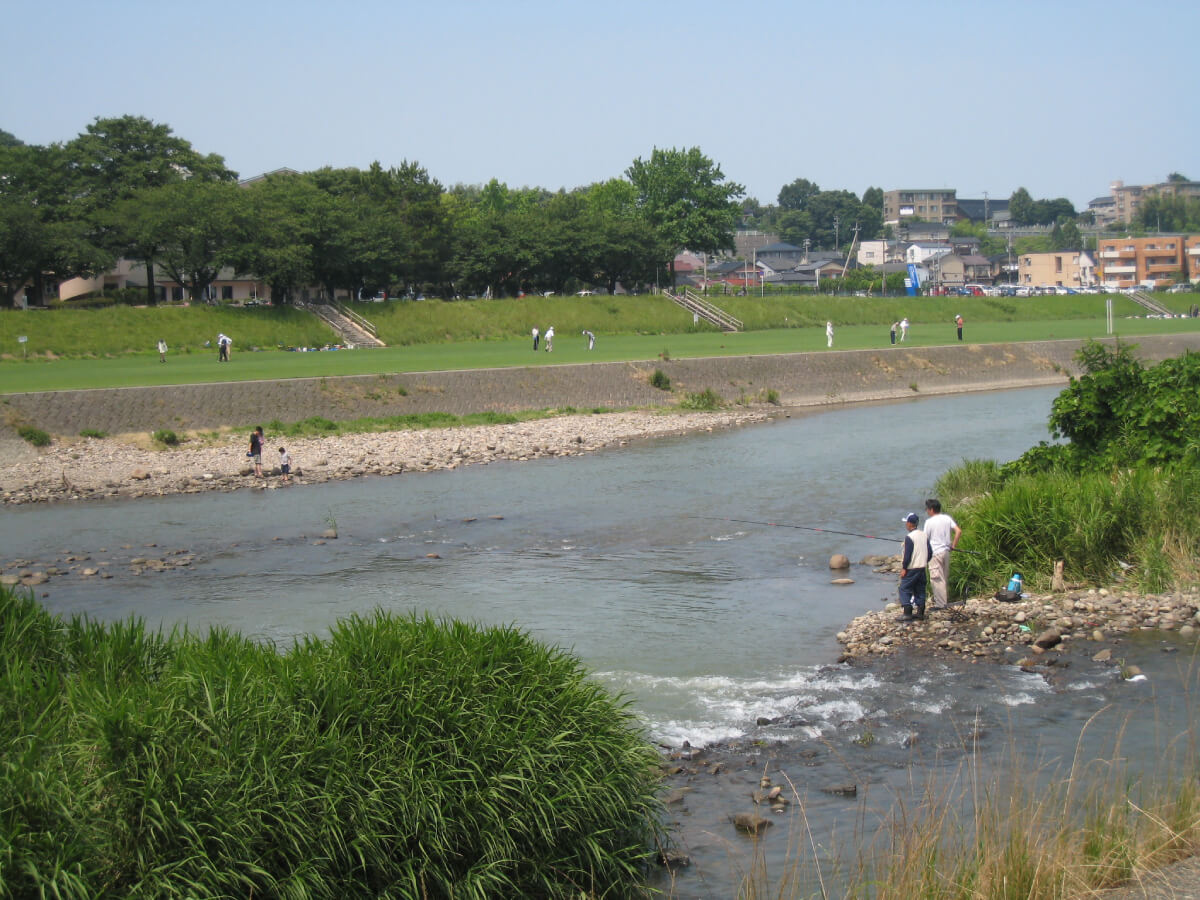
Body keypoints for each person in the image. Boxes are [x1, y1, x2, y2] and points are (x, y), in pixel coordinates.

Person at [924, 498, 962, 612]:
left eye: (927, 509)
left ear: (931, 509)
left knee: (936, 579)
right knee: (943, 578)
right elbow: (958, 531)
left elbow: (925, 539)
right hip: (946, 552)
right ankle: (944, 601)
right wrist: (953, 545)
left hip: (935, 553)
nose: (926, 511)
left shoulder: (929, 522)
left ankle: (941, 605)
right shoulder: (947, 518)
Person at [896, 513, 930, 622]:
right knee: (920, 589)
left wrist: (904, 568)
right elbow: (930, 552)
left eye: (906, 522)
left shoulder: (909, 537)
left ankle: (907, 612)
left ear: (910, 524)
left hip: (912, 568)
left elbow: (907, 555)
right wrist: (925, 561)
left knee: (904, 588)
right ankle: (920, 613)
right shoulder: (924, 535)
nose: (906, 524)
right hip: (922, 567)